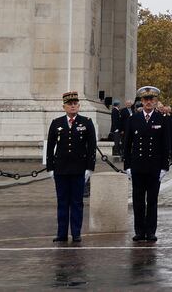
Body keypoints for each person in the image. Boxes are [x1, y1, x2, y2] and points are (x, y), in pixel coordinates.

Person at [122, 85, 172, 243]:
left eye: (151, 99)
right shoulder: (133, 119)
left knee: (152, 201)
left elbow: (166, 144)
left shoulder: (162, 119)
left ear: (155, 101)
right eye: (145, 99)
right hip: (138, 166)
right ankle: (139, 231)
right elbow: (127, 145)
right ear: (141, 101)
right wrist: (127, 166)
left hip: (154, 168)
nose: (148, 102)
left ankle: (151, 231)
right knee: (138, 201)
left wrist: (164, 167)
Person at [46, 91, 98, 244]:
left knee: (76, 202)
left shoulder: (86, 122)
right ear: (64, 107)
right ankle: (61, 233)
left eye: (75, 104)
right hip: (61, 169)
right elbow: (50, 147)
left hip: (78, 169)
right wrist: (50, 167)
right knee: (62, 202)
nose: (73, 106)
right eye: (70, 104)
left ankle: (76, 233)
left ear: (79, 106)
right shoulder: (56, 123)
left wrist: (90, 168)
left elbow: (92, 147)